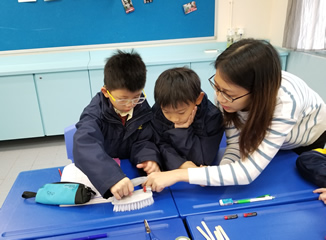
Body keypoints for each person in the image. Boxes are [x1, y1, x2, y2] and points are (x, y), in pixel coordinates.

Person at [144, 39, 326, 192]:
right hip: (271, 138)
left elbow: (247, 172)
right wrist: (216, 175)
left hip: (304, 141)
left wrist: (179, 174)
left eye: (228, 93)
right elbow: (235, 145)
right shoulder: (227, 98)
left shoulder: (285, 102)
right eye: (216, 86)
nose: (218, 97)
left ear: (256, 92)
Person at [73, 50, 161, 200]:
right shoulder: (95, 113)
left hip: (131, 169)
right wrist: (111, 177)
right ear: (106, 92)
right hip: (106, 172)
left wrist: (148, 158)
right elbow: (85, 143)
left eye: (136, 97)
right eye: (122, 99)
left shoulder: (141, 108)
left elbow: (144, 139)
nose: (129, 104)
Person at [151, 67, 224, 171]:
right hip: (174, 171)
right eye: (167, 112)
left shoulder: (212, 117)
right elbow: (158, 144)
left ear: (198, 99)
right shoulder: (158, 110)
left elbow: (203, 159)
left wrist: (182, 131)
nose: (174, 118)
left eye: (181, 112)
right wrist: (180, 163)